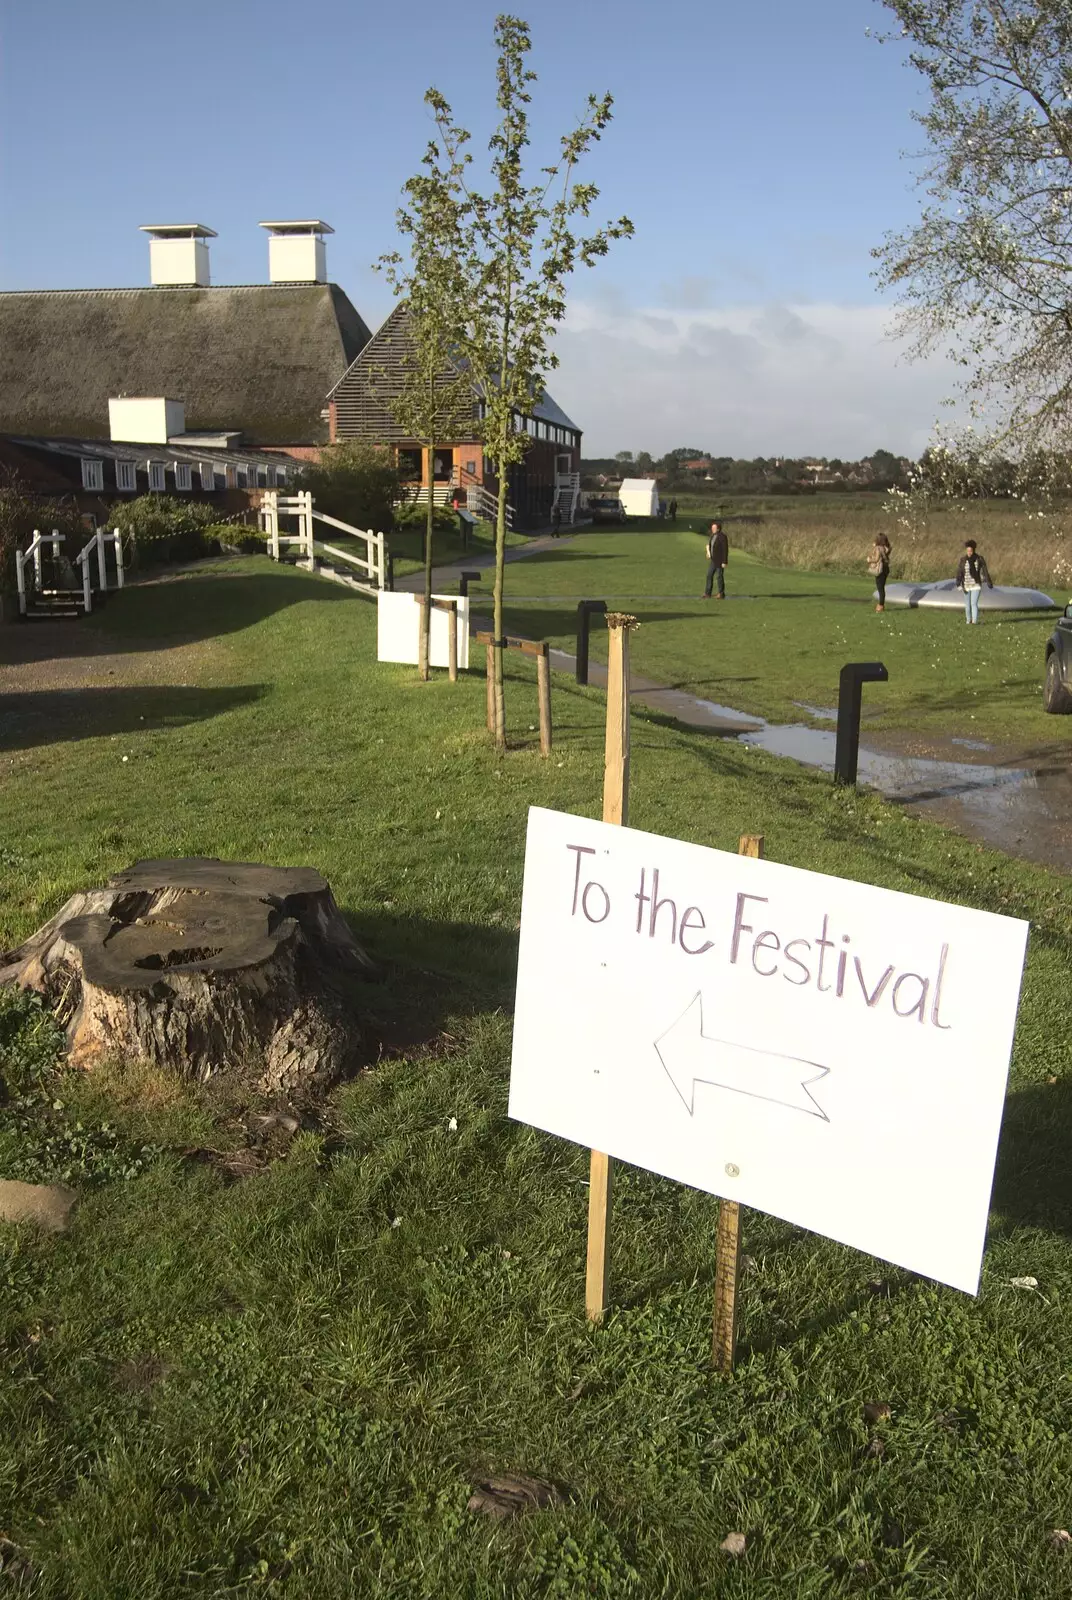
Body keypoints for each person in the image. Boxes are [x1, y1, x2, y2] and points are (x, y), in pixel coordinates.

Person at [955, 538, 993, 624]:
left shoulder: (979, 559)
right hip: (966, 585)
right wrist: (958, 583)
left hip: (976, 585)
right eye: (967, 551)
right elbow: (960, 572)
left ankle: (974, 621)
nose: (969, 553)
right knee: (967, 605)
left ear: (974, 550)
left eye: (971, 551)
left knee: (973, 603)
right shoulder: (963, 560)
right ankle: (968, 621)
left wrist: (989, 582)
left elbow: (985, 571)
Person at [702, 519, 728, 600]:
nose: (712, 529)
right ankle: (707, 593)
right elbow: (711, 546)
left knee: (719, 577)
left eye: (714, 528)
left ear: (718, 528)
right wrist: (708, 553)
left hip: (720, 561)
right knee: (709, 575)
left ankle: (721, 593)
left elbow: (725, 550)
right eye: (712, 528)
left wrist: (724, 562)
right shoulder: (713, 536)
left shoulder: (722, 536)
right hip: (713, 560)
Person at [868, 532, 891, 612]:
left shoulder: (878, 548)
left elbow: (876, 559)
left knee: (880, 588)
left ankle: (881, 605)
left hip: (880, 569)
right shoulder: (887, 548)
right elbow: (885, 555)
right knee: (882, 586)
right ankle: (881, 605)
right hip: (886, 568)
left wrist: (869, 560)